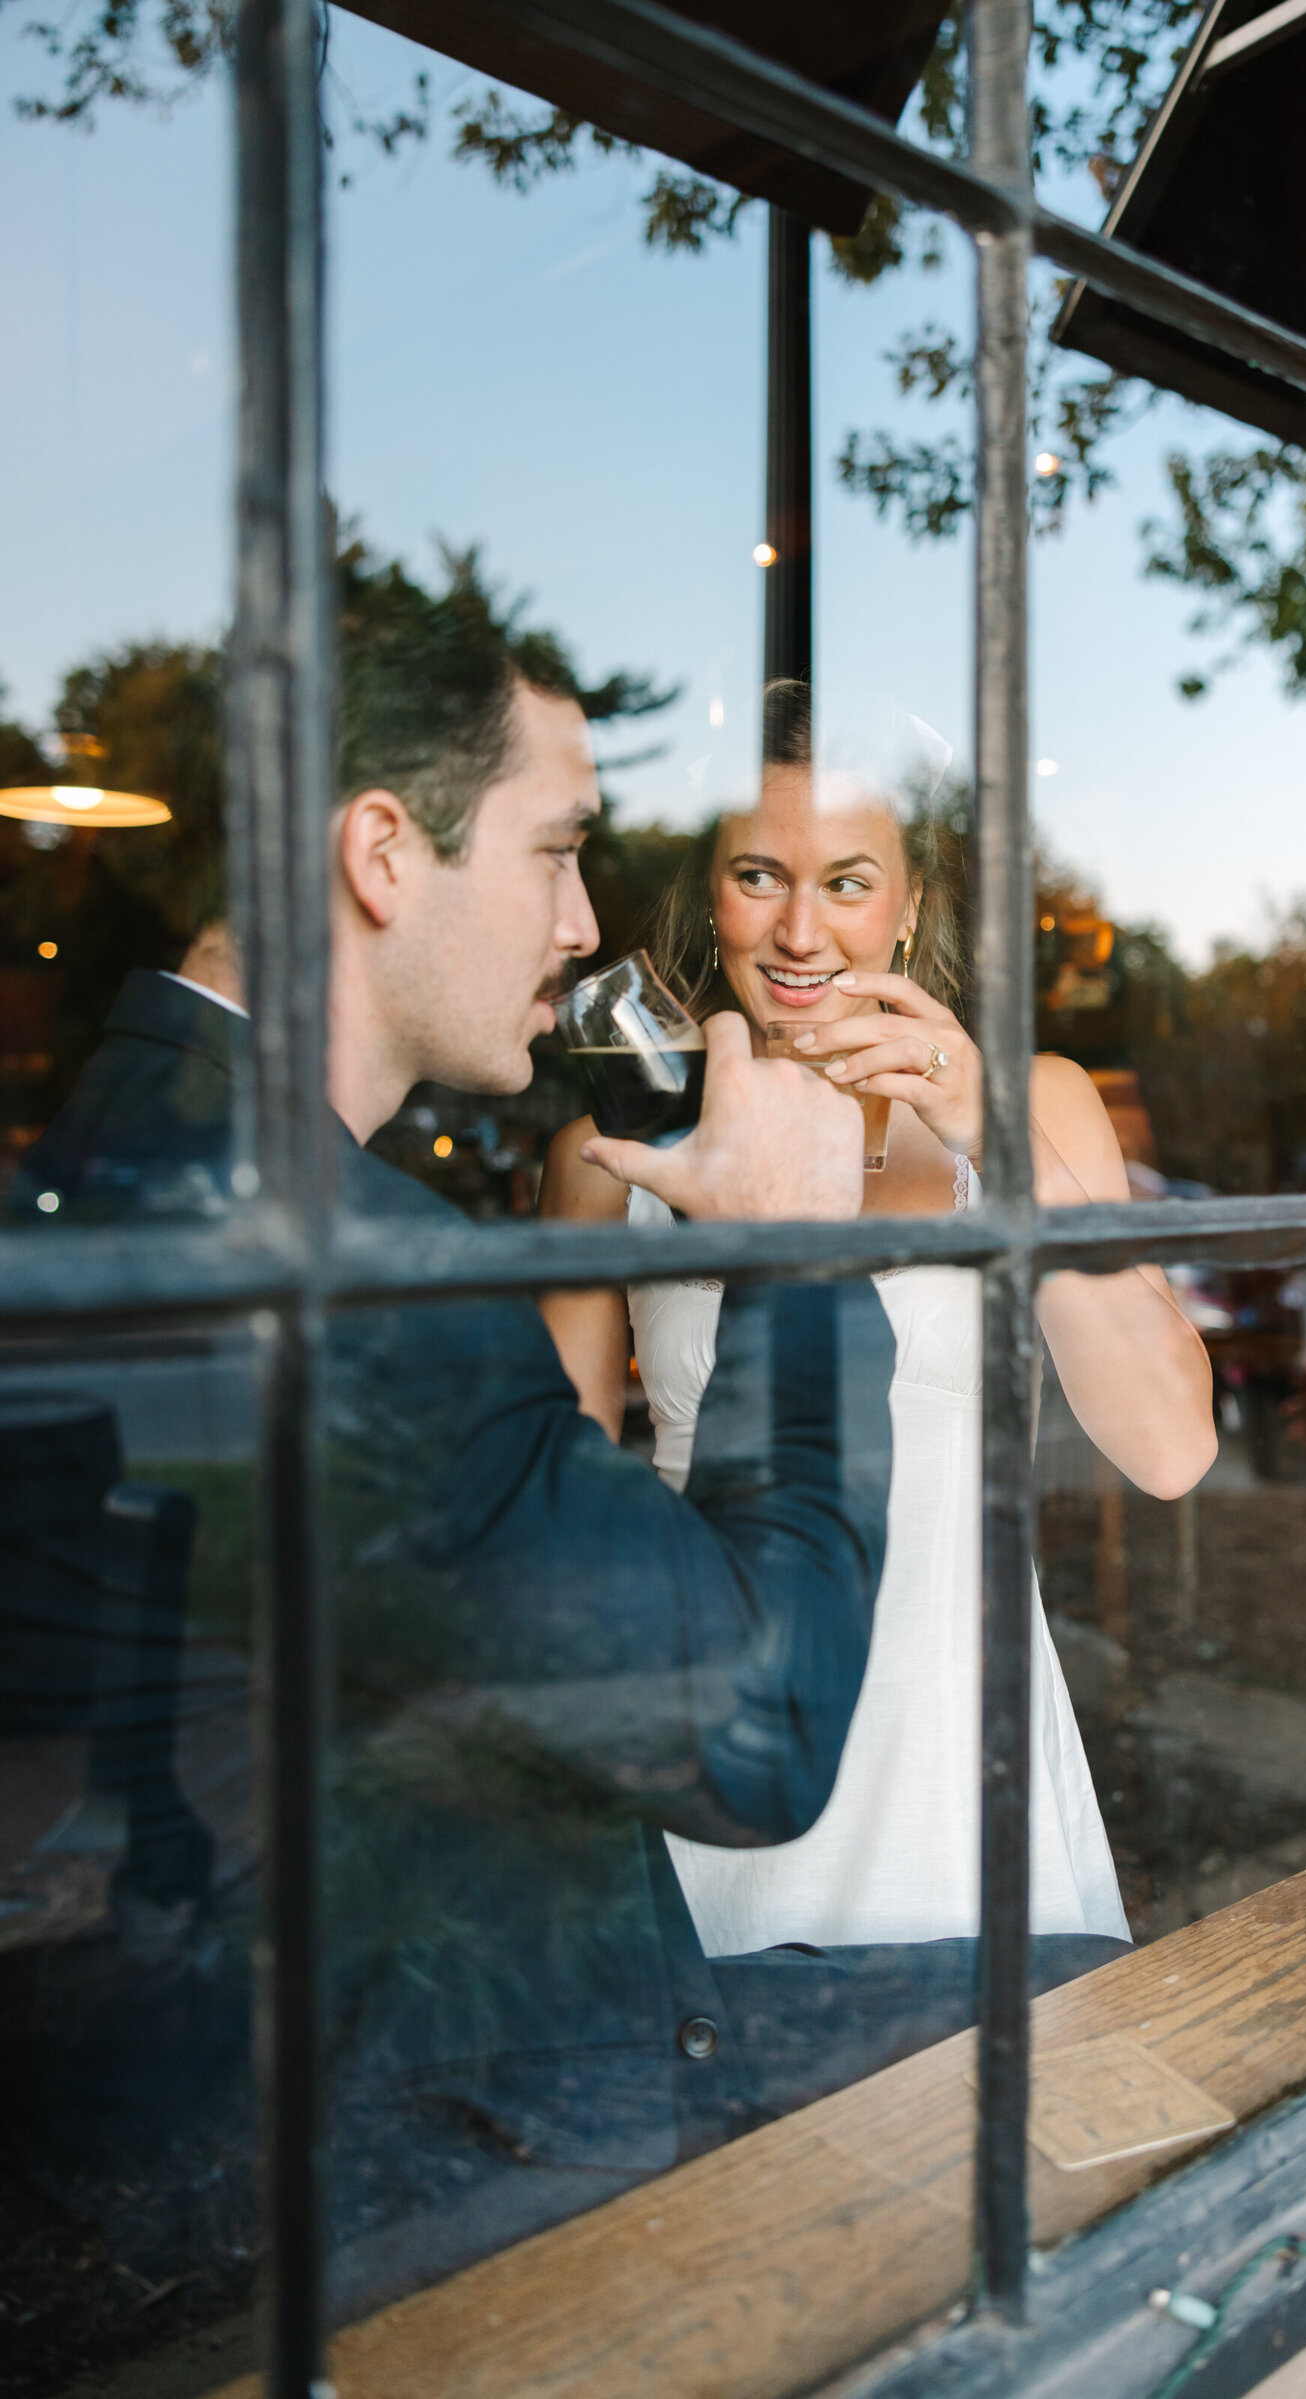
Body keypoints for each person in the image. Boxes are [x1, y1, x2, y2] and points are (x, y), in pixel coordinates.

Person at [6, 620, 913, 2302]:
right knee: (1095, 2017)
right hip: (395, 2154)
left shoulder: (106, 1165)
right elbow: (760, 1722)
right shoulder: (353, 1282)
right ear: (377, 851)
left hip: (216, 2073)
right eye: (559, 850)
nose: (583, 922)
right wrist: (795, 1248)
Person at [541, 692, 1217, 1959]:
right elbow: (556, 1529)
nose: (801, 931)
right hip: (715, 1739)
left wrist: (988, 1139)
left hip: (960, 1760)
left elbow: (1172, 1449)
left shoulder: (1042, 1103)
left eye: (847, 881)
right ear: (713, 892)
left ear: (907, 902)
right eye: (759, 876)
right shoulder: (608, 1149)